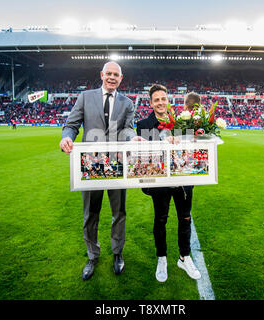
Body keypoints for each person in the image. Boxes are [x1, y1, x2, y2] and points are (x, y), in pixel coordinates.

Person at [59, 61, 143, 281]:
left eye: (116, 74)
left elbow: (127, 128)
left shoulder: (127, 102)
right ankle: (92, 256)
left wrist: (131, 137)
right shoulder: (85, 97)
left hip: (117, 165)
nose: (112, 77)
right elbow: (72, 124)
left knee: (119, 213)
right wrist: (67, 137)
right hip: (90, 166)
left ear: (121, 78)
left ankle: (117, 253)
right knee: (90, 214)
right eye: (109, 74)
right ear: (102, 75)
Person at [136, 84, 201, 282]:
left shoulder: (182, 121)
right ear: (151, 103)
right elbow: (145, 157)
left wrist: (189, 139)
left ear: (168, 99)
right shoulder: (143, 124)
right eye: (156, 100)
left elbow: (193, 149)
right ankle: (162, 258)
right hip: (160, 182)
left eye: (163, 98)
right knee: (161, 220)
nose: (160, 102)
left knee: (185, 218)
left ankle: (184, 257)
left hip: (183, 180)